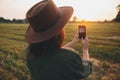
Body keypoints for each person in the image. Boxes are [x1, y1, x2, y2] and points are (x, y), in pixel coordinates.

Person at [24, 0, 92, 80]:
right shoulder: (70, 58)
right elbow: (87, 69)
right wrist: (85, 49)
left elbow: (53, 52)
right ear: (57, 34)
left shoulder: (28, 52)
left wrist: (73, 42)